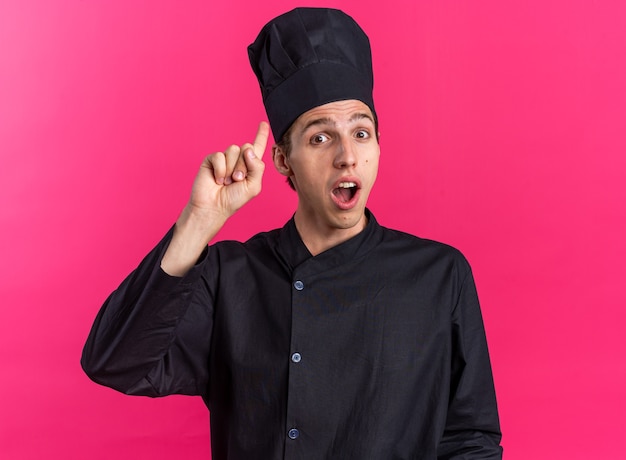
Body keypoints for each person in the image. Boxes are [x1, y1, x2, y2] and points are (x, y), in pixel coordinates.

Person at [82, 7, 502, 459]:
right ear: (283, 160)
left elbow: (470, 440)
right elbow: (114, 362)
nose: (347, 157)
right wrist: (198, 221)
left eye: (361, 133)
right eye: (320, 138)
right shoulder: (230, 276)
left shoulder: (438, 276)